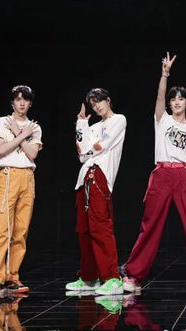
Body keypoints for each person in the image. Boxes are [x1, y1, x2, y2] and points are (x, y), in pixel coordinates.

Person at [121, 52, 186, 293]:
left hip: (182, 175)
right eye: (173, 99)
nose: (176, 102)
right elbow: (159, 96)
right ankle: (133, 276)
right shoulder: (162, 120)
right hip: (162, 173)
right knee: (150, 225)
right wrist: (164, 75)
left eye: (181, 99)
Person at [0, 85, 42, 296]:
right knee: (2, 229)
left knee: (21, 231)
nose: (22, 103)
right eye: (18, 99)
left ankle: (12, 277)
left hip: (28, 177)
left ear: (30, 103)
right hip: (9, 175)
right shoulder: (2, 122)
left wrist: (20, 134)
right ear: (12, 103)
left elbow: (32, 154)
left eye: (26, 99)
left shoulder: (34, 127)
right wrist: (20, 134)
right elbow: (1, 149)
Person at [65, 88, 127, 295]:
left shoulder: (119, 120)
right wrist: (81, 124)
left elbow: (102, 146)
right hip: (83, 177)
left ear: (108, 100)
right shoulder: (92, 126)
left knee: (100, 227)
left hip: (100, 175)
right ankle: (89, 278)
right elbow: (82, 155)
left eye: (99, 101)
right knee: (84, 230)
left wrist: (89, 148)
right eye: (93, 104)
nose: (97, 106)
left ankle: (112, 278)